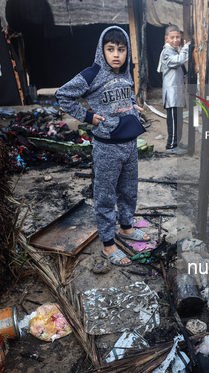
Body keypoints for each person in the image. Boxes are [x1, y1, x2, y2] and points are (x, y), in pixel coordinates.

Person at [55, 26, 149, 266]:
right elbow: (63, 95)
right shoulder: (92, 73)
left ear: (127, 51)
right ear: (102, 50)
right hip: (107, 147)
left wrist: (132, 105)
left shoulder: (127, 72)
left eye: (121, 49)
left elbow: (126, 94)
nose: (116, 55)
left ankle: (126, 229)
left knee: (129, 191)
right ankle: (108, 245)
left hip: (129, 144)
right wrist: (88, 117)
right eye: (110, 49)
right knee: (105, 196)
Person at [157, 24, 190, 154]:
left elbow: (183, 69)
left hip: (178, 92)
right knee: (174, 122)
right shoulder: (167, 52)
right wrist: (186, 48)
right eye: (172, 37)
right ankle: (171, 146)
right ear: (166, 38)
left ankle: (178, 141)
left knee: (179, 120)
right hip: (172, 93)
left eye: (177, 37)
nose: (175, 40)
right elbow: (179, 60)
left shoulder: (175, 50)